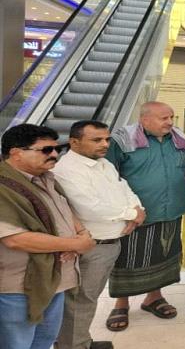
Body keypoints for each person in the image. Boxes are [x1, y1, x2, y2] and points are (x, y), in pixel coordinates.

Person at [0, 124, 95, 349]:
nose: (54, 154)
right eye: (46, 150)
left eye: (57, 149)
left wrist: (81, 235)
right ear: (16, 153)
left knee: (44, 340)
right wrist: (74, 244)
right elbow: (15, 239)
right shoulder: (4, 187)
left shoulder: (47, 178)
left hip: (54, 279)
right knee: (17, 344)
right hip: (19, 286)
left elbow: (65, 212)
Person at [104, 101, 185, 331]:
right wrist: (123, 208)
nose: (170, 122)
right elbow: (108, 177)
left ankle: (154, 298)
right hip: (135, 213)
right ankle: (121, 303)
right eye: (164, 118)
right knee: (127, 258)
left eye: (171, 117)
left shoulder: (179, 139)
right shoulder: (121, 141)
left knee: (163, 254)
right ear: (144, 119)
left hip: (171, 208)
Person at [53, 120, 145, 349]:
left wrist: (138, 210)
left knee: (87, 297)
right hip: (93, 245)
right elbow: (88, 206)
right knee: (80, 299)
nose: (105, 144)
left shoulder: (104, 163)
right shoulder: (67, 170)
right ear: (74, 142)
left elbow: (124, 187)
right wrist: (130, 214)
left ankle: (80, 341)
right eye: (96, 140)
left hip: (110, 243)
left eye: (106, 139)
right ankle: (74, 346)